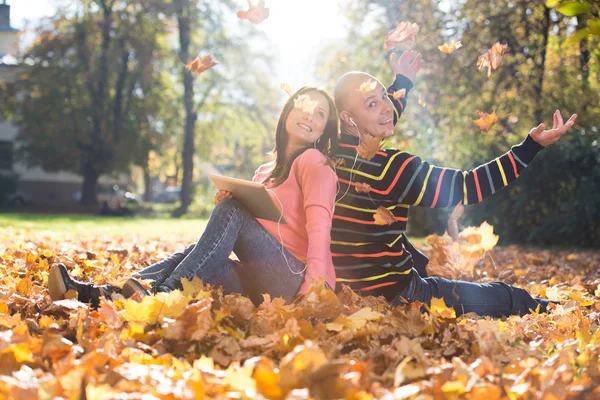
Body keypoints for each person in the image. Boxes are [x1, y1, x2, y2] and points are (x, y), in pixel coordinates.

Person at [330, 50, 578, 318]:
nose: (386, 106)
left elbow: (383, 114)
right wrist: (530, 147)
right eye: (371, 104)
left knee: (404, 245)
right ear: (347, 118)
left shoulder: (331, 153)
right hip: (398, 296)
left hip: (351, 290)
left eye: (384, 97)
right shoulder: (390, 169)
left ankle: (430, 273)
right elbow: (468, 185)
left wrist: (403, 80)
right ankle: (565, 312)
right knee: (507, 297)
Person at [48, 86, 339, 308]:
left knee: (230, 212)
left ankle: (160, 298)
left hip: (295, 278)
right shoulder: (263, 171)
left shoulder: (314, 161)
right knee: (197, 250)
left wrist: (312, 289)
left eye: (320, 114)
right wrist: (228, 209)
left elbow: (320, 230)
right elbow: (258, 234)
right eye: (305, 107)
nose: (309, 116)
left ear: (324, 129)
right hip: (261, 280)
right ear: (288, 110)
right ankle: (93, 294)